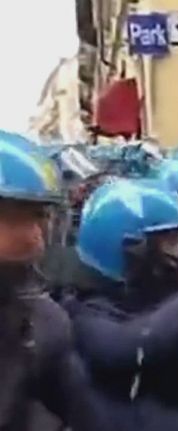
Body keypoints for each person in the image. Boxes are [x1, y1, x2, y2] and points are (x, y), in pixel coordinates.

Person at [62, 179, 178, 431]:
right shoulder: (79, 306)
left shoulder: (153, 295)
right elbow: (135, 346)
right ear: (132, 249)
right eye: (170, 243)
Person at [0, 130, 103, 431]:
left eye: (41, 217)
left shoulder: (45, 323)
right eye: (17, 217)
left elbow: (79, 414)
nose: (37, 238)